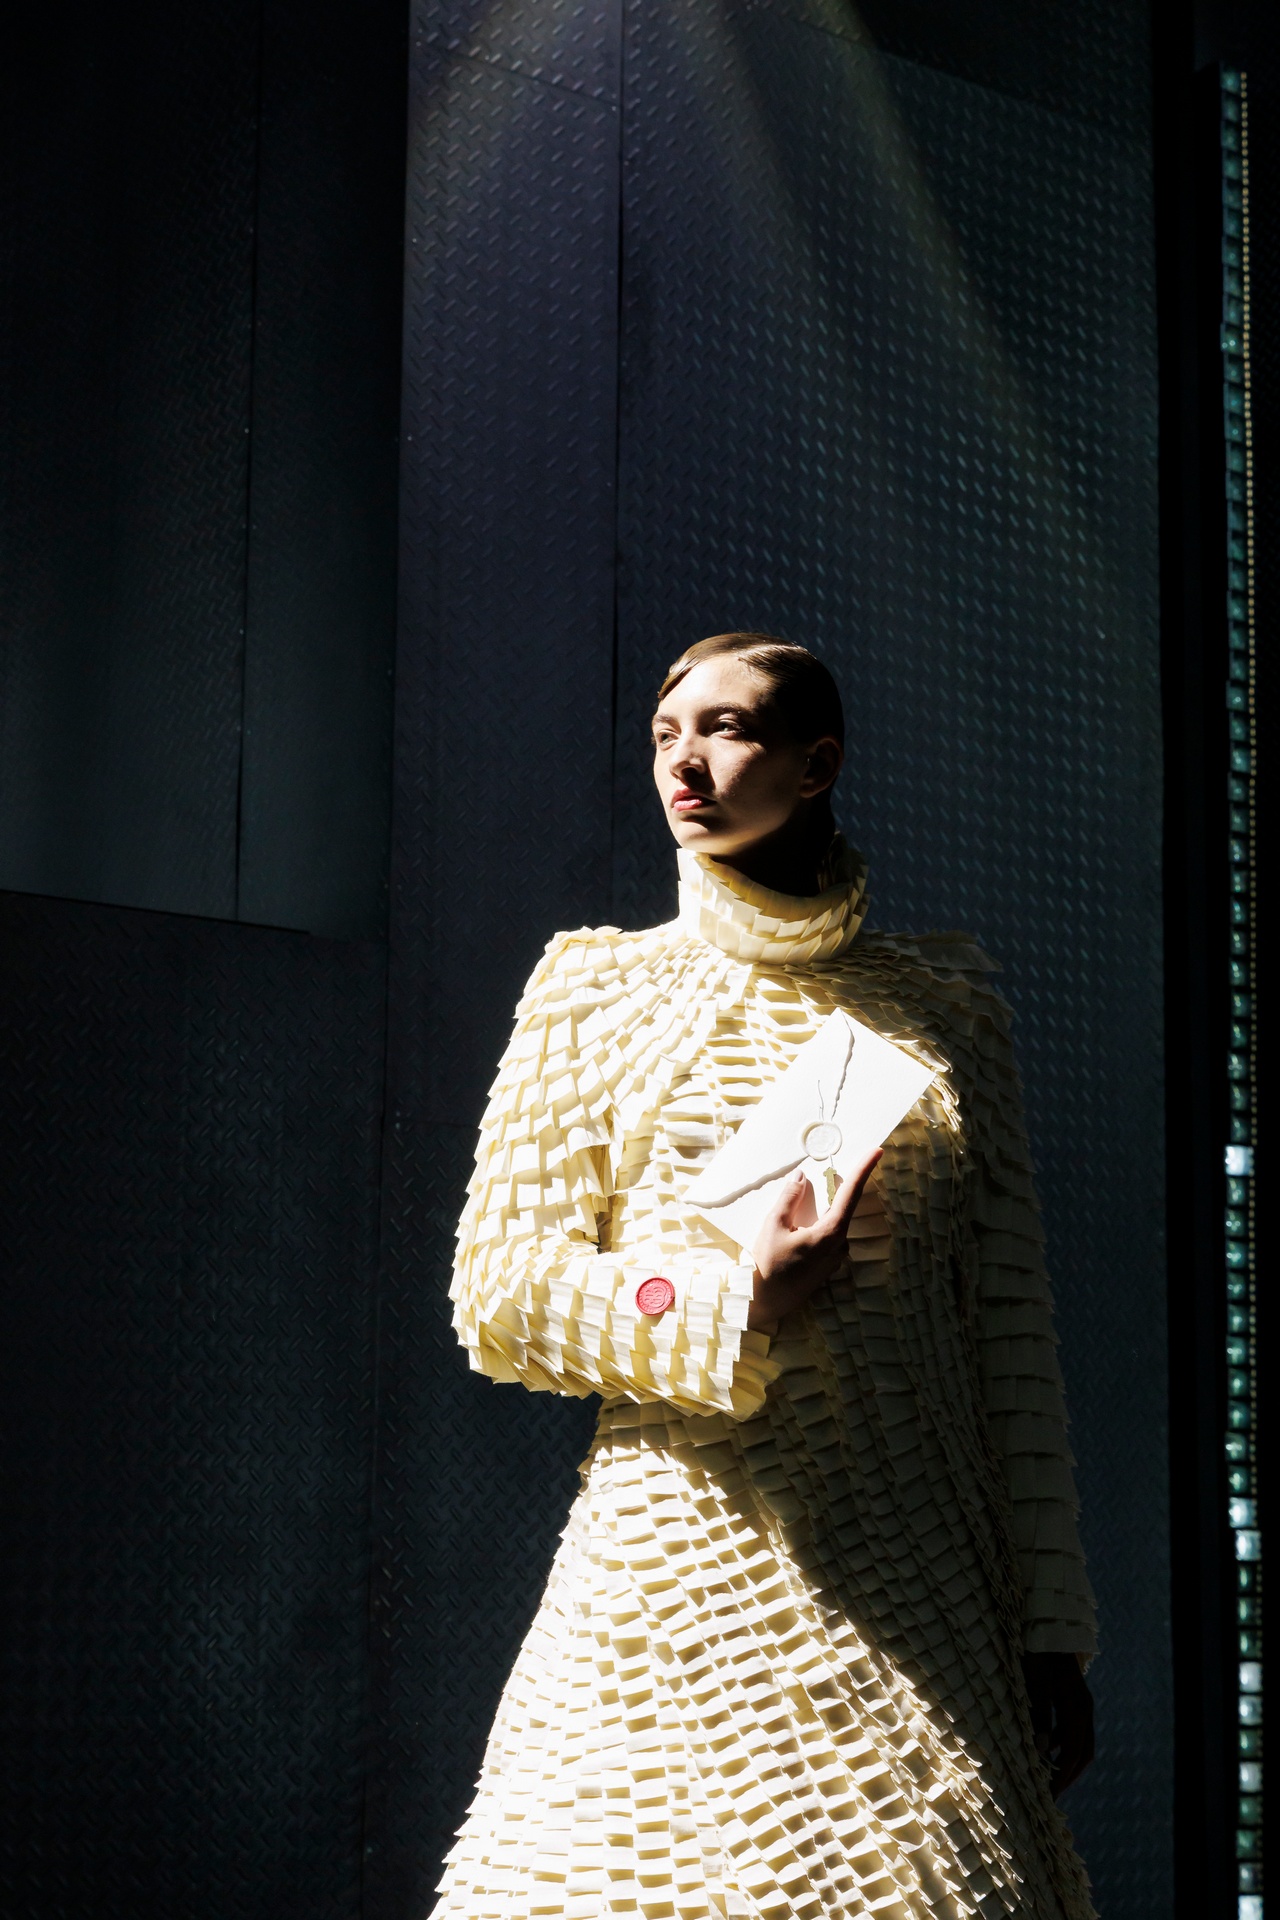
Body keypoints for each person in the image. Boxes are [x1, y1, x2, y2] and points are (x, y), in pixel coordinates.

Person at [434, 633, 1097, 1920]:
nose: (682, 761)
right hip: (679, 1543)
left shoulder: (943, 1005)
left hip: (922, 1569)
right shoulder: (595, 990)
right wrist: (729, 1298)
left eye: (724, 728)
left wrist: (1050, 1632)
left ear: (816, 762)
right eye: (663, 735)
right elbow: (500, 1292)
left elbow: (1008, 1336)